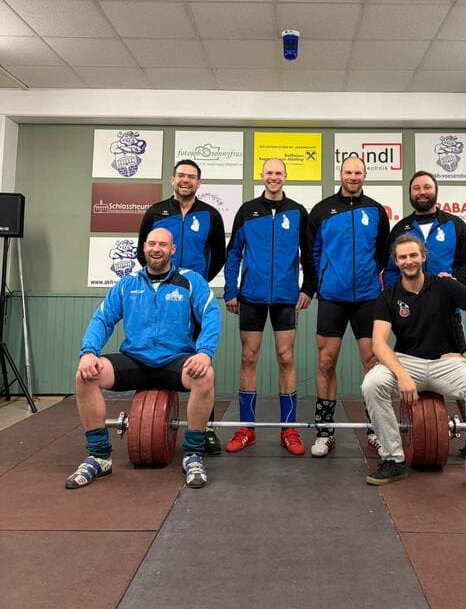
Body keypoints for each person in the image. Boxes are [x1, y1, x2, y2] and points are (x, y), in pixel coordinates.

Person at [65, 228, 221, 490]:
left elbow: (211, 315)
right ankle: (99, 456)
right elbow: (102, 319)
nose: (156, 249)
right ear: (144, 248)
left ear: (172, 250)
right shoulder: (127, 284)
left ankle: (193, 454)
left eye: (163, 245)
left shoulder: (190, 281)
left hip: (174, 361)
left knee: (205, 376)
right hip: (135, 361)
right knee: (85, 376)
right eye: (152, 244)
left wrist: (204, 352)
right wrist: (88, 352)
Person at [361, 234, 466, 499]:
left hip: (444, 363)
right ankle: (393, 459)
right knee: (372, 384)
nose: (408, 261)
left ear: (423, 256)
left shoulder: (446, 286)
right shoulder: (388, 296)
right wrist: (402, 376)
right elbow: (379, 344)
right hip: (407, 362)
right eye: (402, 257)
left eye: (413, 255)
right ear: (396, 261)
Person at [223, 158, 316, 455]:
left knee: (286, 358)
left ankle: (289, 429)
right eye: (269, 172)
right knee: (248, 358)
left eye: (278, 173)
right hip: (251, 296)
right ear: (261, 176)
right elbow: (234, 253)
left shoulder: (298, 211)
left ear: (285, 177)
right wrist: (230, 290)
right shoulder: (247, 211)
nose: (273, 177)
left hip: (286, 298)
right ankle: (246, 429)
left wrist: (308, 288)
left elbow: (309, 254)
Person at [383, 170, 466, 443]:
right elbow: (390, 271)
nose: (422, 192)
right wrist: (398, 299)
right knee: (409, 373)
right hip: (409, 316)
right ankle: (421, 438)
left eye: (426, 187)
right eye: (416, 188)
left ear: (435, 191)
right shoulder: (400, 229)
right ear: (410, 193)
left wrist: (455, 283)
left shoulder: (455, 225)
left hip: (447, 315)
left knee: (461, 377)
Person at [137, 158, 225, 454]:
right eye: (181, 175)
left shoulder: (211, 214)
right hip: (161, 297)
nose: (186, 180)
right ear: (173, 179)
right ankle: (150, 422)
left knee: (202, 362)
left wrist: (196, 284)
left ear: (198, 183)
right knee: (154, 351)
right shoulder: (155, 212)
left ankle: (206, 430)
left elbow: (219, 255)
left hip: (194, 298)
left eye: (192, 176)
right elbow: (143, 250)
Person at [307, 157, 390, 457]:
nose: (353, 176)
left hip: (368, 297)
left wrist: (369, 276)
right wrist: (325, 281)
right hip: (332, 297)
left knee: (372, 363)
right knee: (326, 363)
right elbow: (313, 253)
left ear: (364, 175)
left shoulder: (376, 211)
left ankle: (375, 430)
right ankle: (324, 432)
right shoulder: (322, 210)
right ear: (340, 174)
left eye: (358, 172)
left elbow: (383, 253)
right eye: (348, 172)